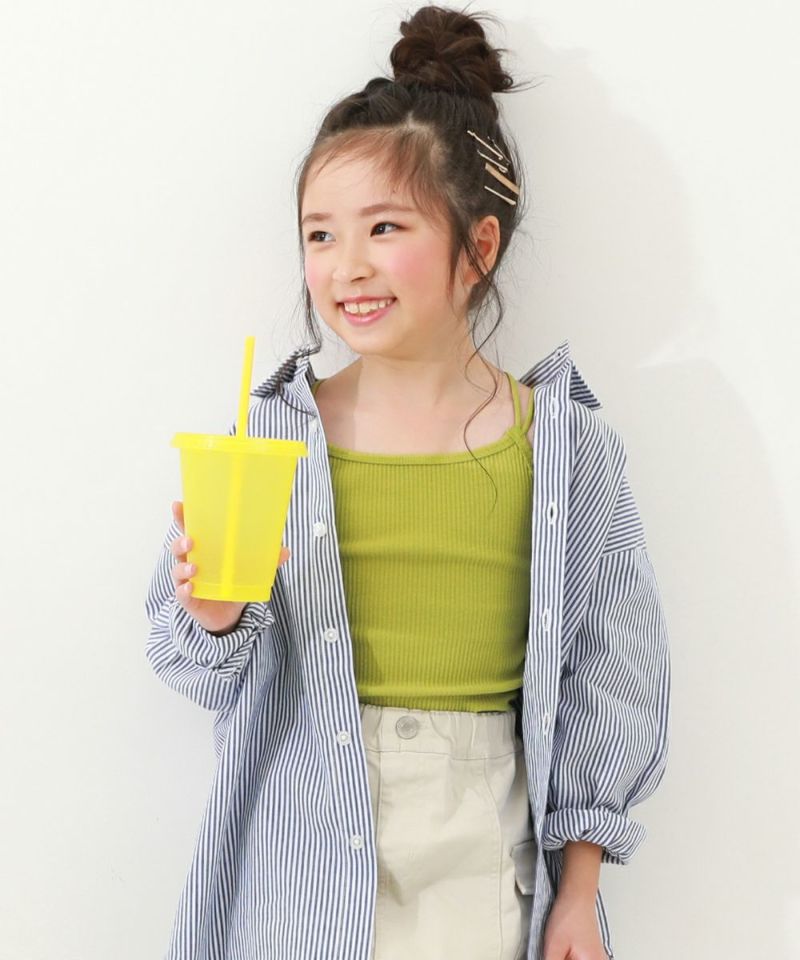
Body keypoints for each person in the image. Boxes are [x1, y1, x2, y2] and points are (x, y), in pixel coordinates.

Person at [145, 5, 671, 959]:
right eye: (319, 235)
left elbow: (612, 675)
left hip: (482, 856)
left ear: (480, 247)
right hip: (298, 856)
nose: (346, 266)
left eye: (384, 227)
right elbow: (189, 665)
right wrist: (214, 617)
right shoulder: (271, 437)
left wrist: (579, 892)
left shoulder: (565, 449)